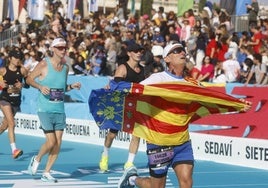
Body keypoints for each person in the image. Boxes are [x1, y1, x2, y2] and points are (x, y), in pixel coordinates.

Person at [117, 42, 252, 188]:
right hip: (159, 142)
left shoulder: (191, 83)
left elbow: (212, 97)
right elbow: (135, 91)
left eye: (182, 50)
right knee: (157, 186)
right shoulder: (157, 79)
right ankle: (132, 179)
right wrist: (114, 87)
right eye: (177, 51)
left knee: (186, 182)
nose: (182, 53)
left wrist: (237, 104)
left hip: (182, 142)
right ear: (167, 59)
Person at [26, 38, 81, 182]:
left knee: (58, 142)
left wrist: (71, 87)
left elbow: (62, 89)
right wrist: (40, 87)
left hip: (59, 110)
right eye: (60, 48)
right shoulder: (44, 64)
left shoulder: (65, 68)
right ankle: (36, 160)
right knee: (51, 142)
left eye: (64, 48)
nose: (63, 50)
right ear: (53, 49)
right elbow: (29, 79)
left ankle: (47, 172)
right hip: (45, 109)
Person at [99, 43, 145, 172]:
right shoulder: (122, 68)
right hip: (120, 105)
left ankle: (129, 163)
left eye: (141, 51)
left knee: (137, 135)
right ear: (129, 54)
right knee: (112, 135)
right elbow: (116, 86)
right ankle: (105, 155)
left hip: (135, 106)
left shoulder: (142, 70)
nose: (139, 53)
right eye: (136, 51)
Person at [0, 49, 28, 159]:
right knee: (12, 123)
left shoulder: (22, 71)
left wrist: (23, 85)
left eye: (19, 58)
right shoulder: (3, 70)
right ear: (10, 58)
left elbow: (28, 84)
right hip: (4, 100)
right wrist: (1, 85)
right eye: (15, 57)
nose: (17, 60)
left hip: (16, 102)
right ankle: (14, 150)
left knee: (4, 127)